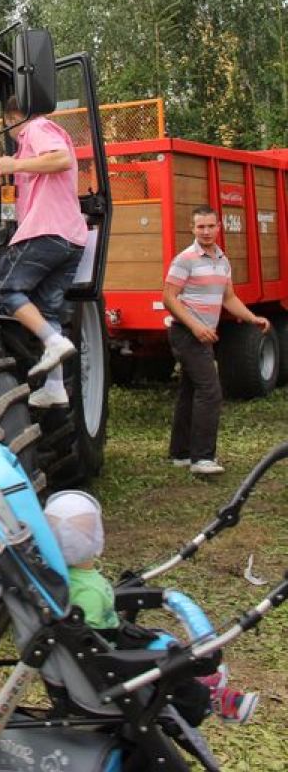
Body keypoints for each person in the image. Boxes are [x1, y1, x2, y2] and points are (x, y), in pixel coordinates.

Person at [44, 491, 259, 724]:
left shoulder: (66, 578)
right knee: (170, 661)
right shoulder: (88, 594)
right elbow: (91, 644)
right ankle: (212, 700)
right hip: (112, 660)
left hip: (116, 640)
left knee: (161, 641)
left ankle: (197, 681)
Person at [0, 97, 87, 408]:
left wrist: (13, 164)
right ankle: (55, 386)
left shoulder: (36, 127)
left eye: (7, 123)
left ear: (14, 116)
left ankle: (53, 341)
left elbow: (60, 159)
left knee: (7, 289)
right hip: (70, 239)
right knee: (46, 309)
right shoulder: (32, 141)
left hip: (47, 230)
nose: (7, 129)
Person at [163, 205, 271, 476]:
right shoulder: (184, 259)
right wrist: (196, 327)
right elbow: (169, 298)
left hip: (204, 334)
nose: (206, 231)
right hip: (186, 333)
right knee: (210, 391)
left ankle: (181, 454)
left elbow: (229, 298)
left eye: (211, 226)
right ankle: (202, 459)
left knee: (191, 390)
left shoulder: (222, 260)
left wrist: (252, 318)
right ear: (192, 228)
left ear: (218, 227)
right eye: (201, 226)